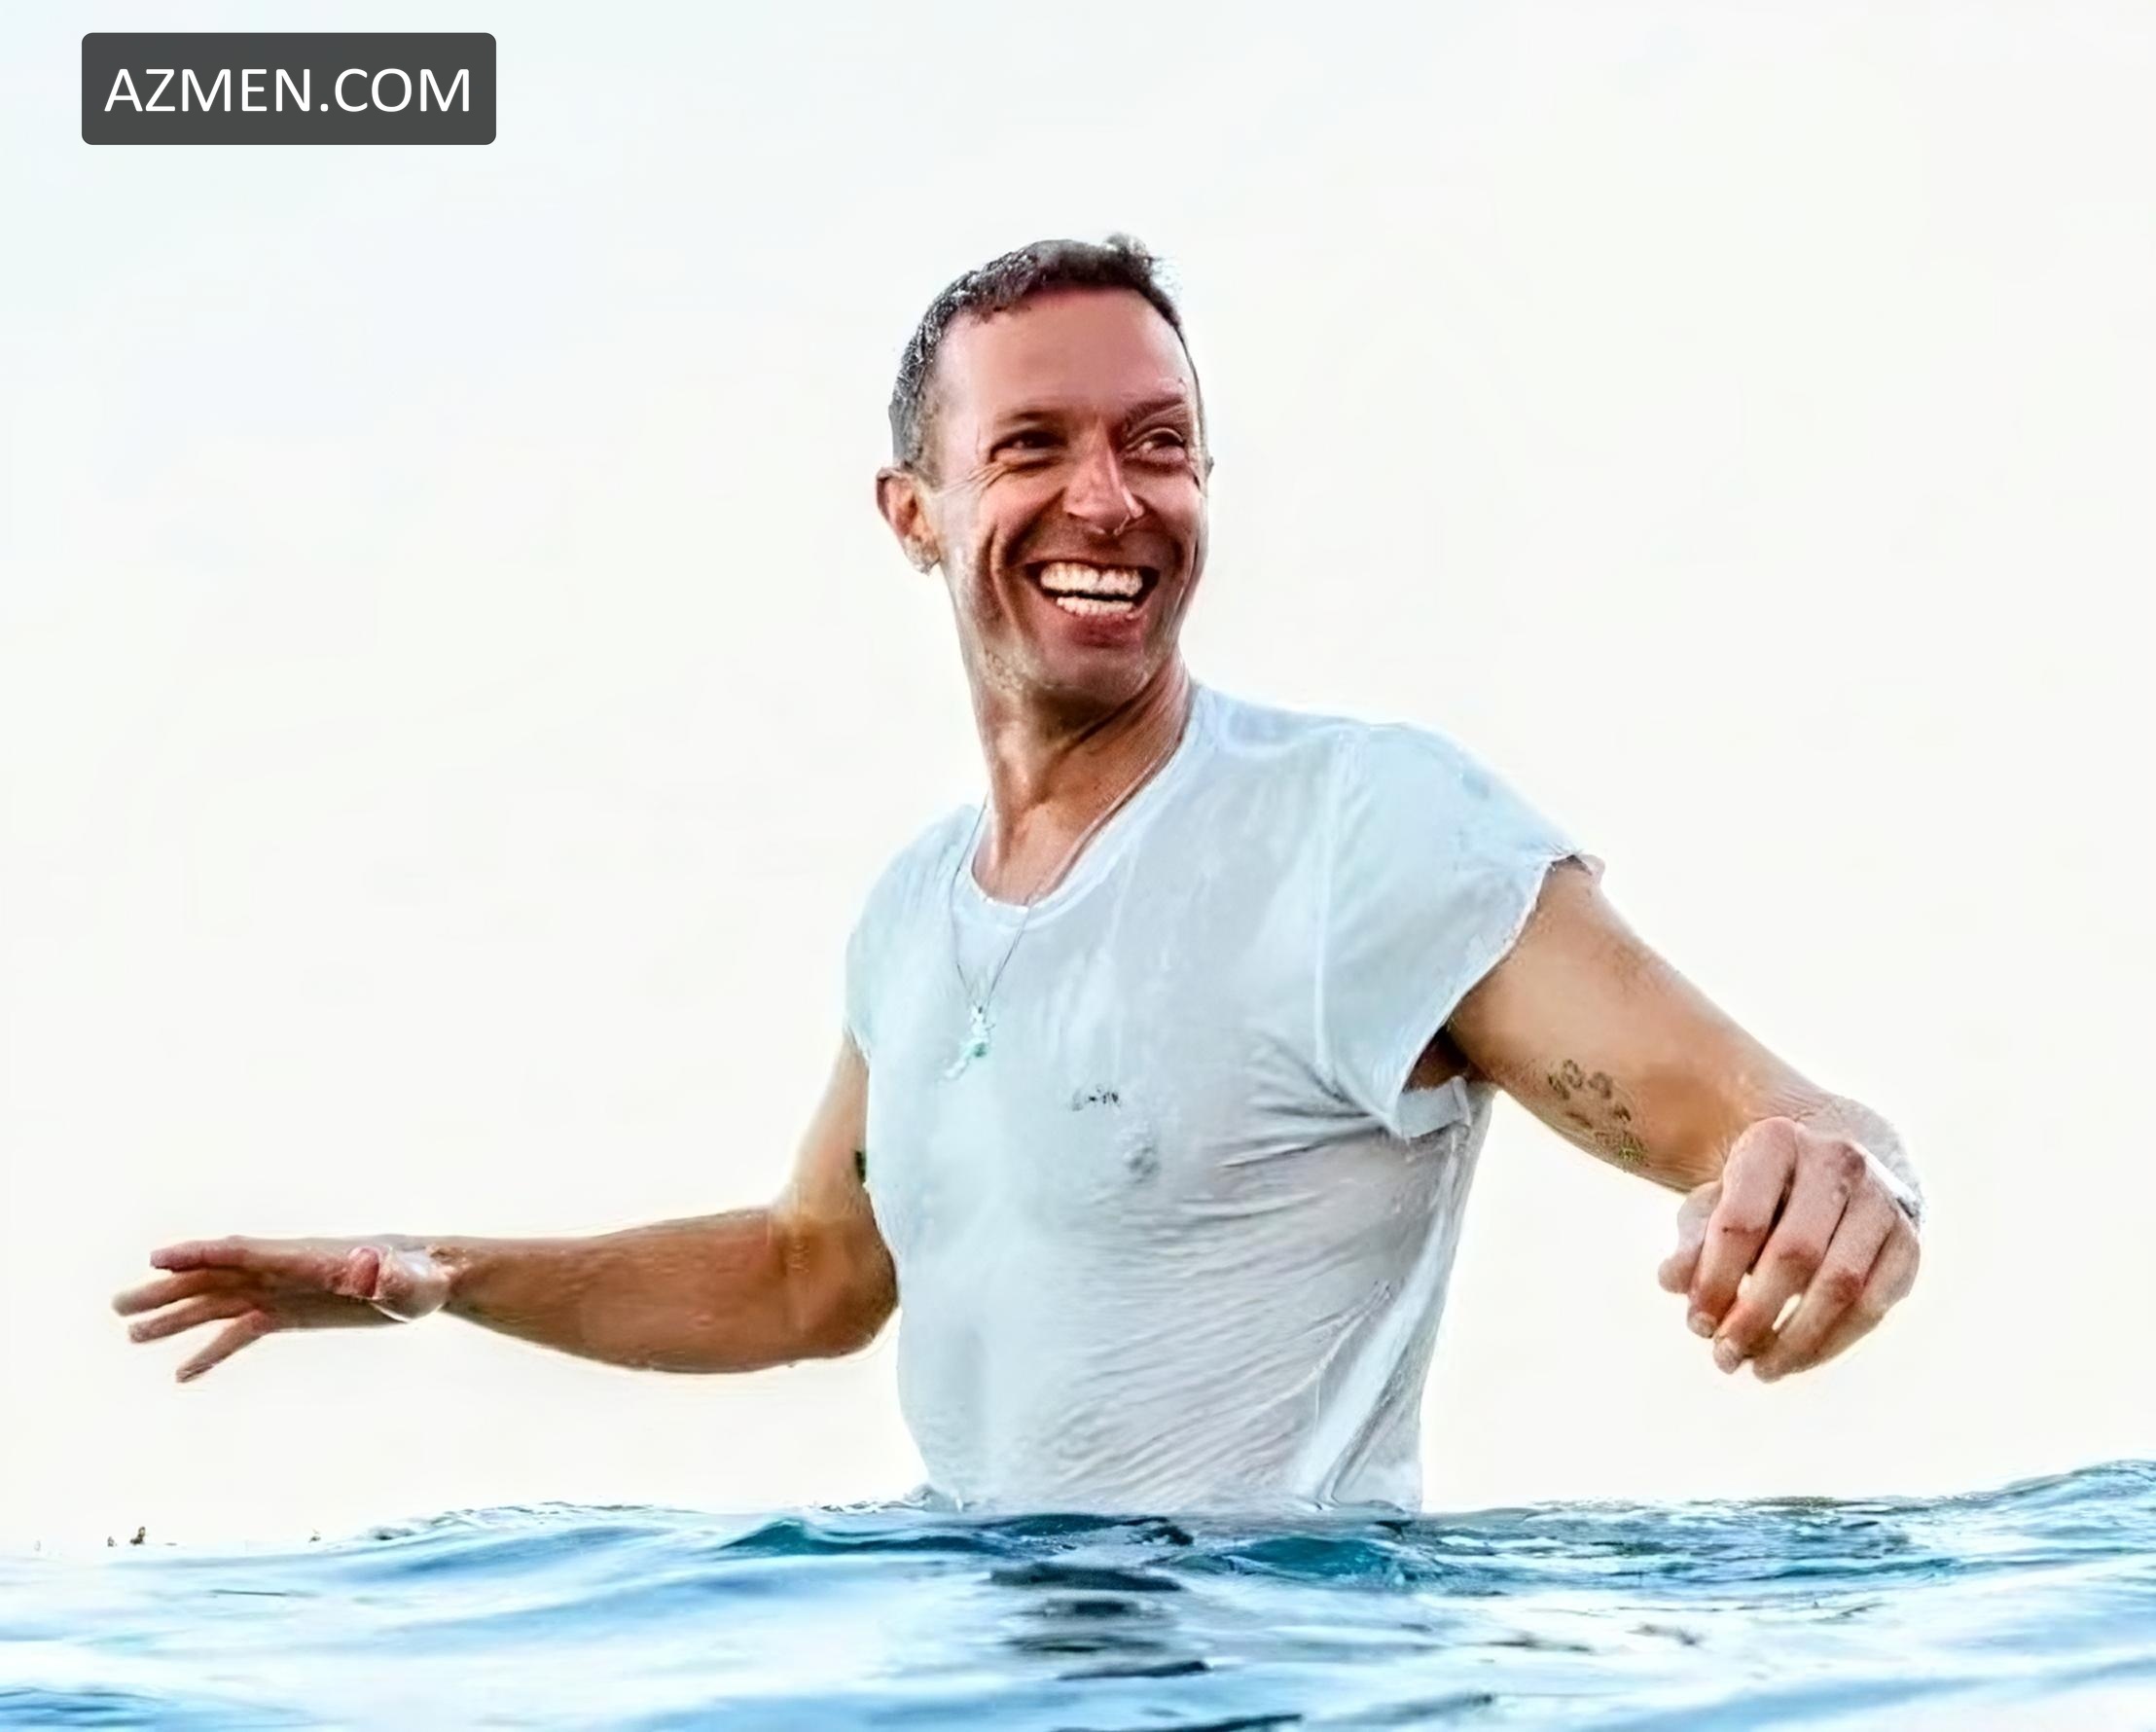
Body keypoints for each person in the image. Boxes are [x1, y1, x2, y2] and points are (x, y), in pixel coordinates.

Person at [113, 236, 1925, 1516]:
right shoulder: (914, 912)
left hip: (1272, 1668)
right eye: (1033, 446)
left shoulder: (1366, 827)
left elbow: (1767, 1116)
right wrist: (436, 1278)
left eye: (1158, 443)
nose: (1109, 499)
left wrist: (1852, 1171)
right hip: (978, 1661)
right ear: (913, 512)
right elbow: (813, 1275)